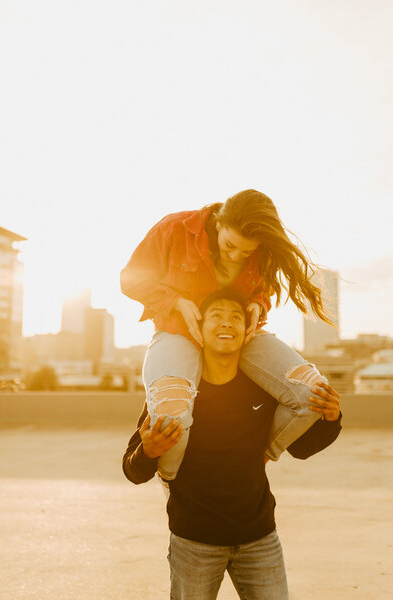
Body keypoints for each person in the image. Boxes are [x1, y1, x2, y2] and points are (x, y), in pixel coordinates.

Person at [122, 288, 342, 600]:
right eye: (217, 316)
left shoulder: (262, 390)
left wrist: (331, 418)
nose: (227, 323)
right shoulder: (175, 395)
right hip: (193, 541)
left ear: (246, 330)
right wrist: (149, 452)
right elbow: (132, 469)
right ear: (199, 329)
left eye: (235, 317)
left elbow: (300, 447)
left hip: (260, 538)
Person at [120, 189, 337, 480]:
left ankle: (257, 458)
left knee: (312, 393)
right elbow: (130, 280)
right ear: (219, 223)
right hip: (178, 332)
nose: (236, 256)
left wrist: (258, 306)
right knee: (170, 414)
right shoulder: (174, 228)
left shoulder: (262, 251)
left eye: (246, 252)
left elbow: (263, 290)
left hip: (238, 335)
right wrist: (175, 302)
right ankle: (173, 481)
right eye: (230, 245)